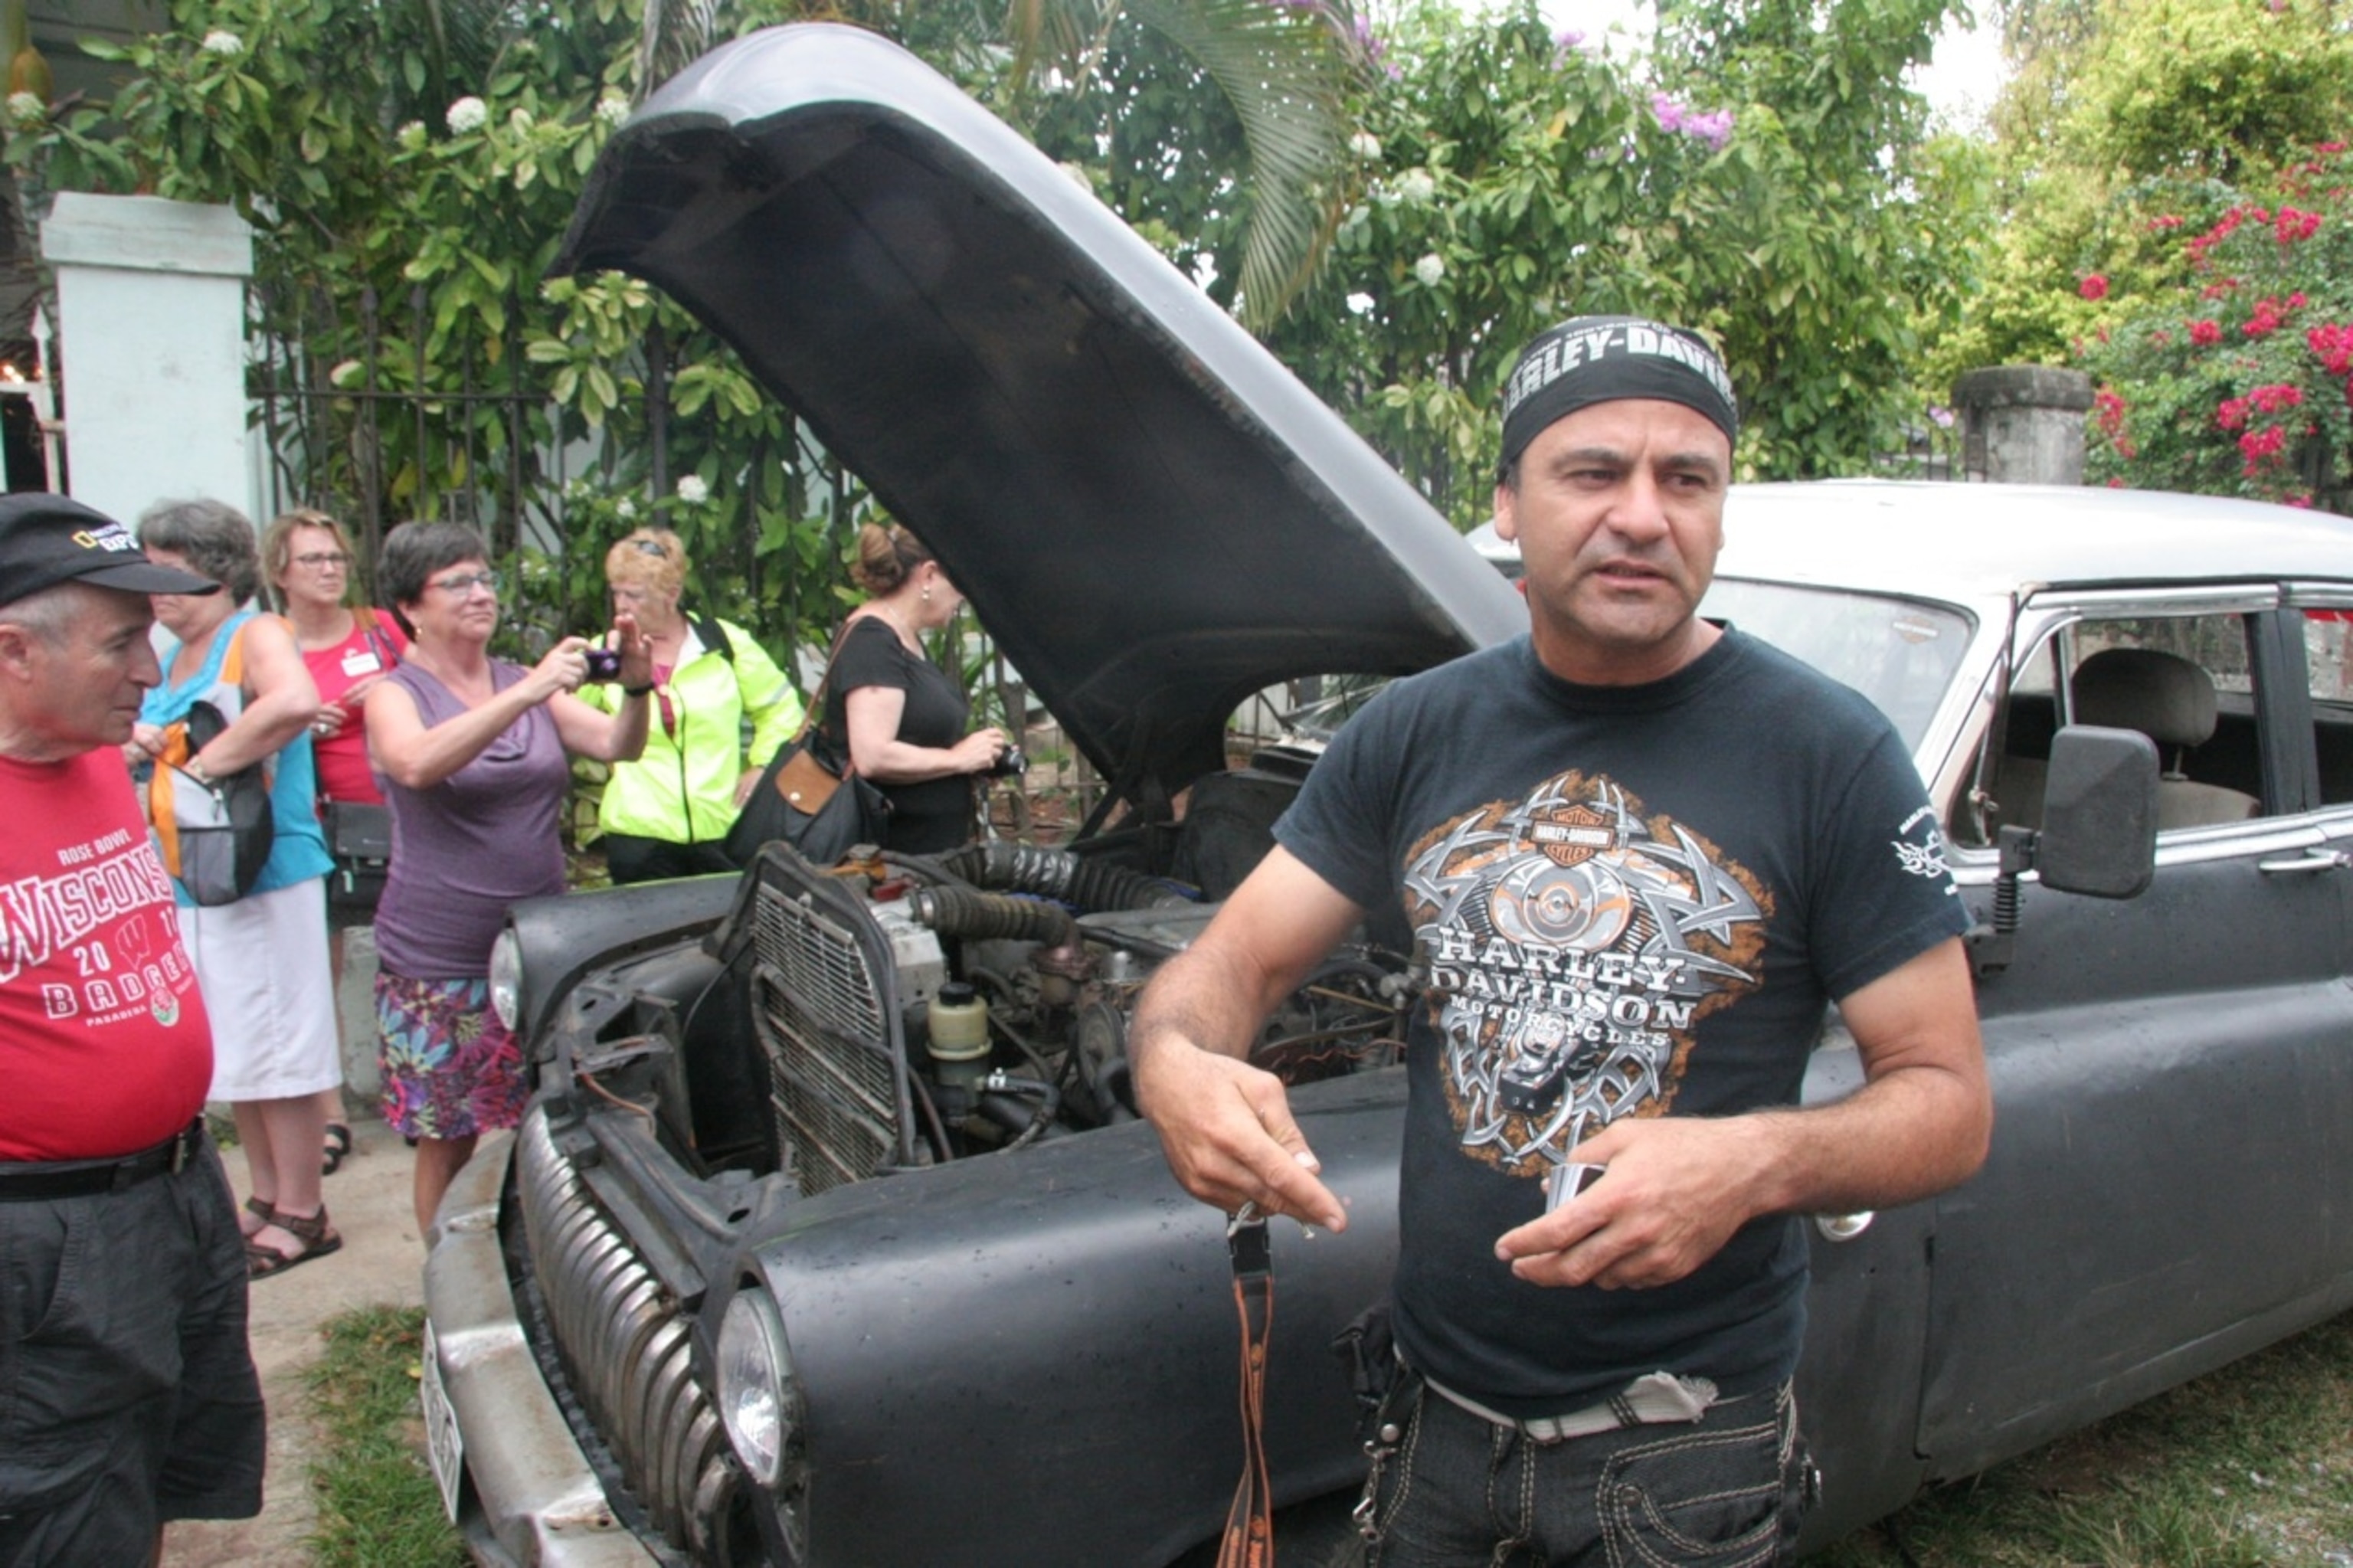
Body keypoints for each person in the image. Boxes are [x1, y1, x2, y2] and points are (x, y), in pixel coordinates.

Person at [1129, 316, 1991, 1565]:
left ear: (1716, 511)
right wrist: (1171, 1059)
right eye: (1592, 471)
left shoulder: (1829, 755)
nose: (1642, 513)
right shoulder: (1415, 733)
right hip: (1432, 1420)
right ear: (1506, 506)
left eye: (1684, 477)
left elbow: (1948, 1100)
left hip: (1681, 1451)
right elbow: (1235, 964)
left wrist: (1750, 1162)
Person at [0, 493, 266, 1559]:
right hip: (45, 1240)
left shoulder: (98, 754)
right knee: (61, 1501)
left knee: (143, 1470)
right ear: (13, 648)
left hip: (170, 1195)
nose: (151, 675)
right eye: (120, 646)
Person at [365, 521, 651, 1235]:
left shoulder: (521, 680)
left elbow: (619, 744)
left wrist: (638, 686)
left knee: (547, 1115)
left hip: (539, 945)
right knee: (450, 1133)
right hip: (440, 957)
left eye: (485, 577)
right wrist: (526, 697)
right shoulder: (394, 695)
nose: (480, 593)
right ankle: (447, 1278)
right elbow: (415, 764)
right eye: (456, 582)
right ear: (410, 606)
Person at [133, 498, 347, 1280]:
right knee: (242, 1047)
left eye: (169, 573)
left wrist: (204, 764)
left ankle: (302, 1208)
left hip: (262, 872)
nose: (153, 588)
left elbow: (292, 704)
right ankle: (265, 1196)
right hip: (199, 878)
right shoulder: (169, 655)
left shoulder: (253, 634)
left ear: (217, 573)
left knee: (279, 1043)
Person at [263, 506, 408, 1176]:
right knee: (312, 974)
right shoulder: (272, 645)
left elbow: (434, 683)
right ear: (280, 573)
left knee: (409, 963)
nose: (328, 570)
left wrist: (391, 684)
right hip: (316, 827)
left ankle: (413, 1095)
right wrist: (302, 722)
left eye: (335, 558)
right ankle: (328, 1115)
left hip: (398, 817)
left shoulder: (380, 628)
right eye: (312, 560)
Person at [578, 527, 803, 882]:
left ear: (672, 594)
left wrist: (762, 765)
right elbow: (557, 716)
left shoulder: (724, 643)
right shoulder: (605, 654)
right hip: (638, 836)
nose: (621, 605)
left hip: (723, 830)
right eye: (616, 592)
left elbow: (783, 709)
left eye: (634, 595)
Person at [822, 522, 1008, 854]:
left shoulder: (904, 638)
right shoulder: (872, 641)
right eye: (958, 584)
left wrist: (972, 762)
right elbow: (873, 755)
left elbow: (915, 736)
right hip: (891, 858)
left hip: (926, 849)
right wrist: (957, 760)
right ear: (929, 575)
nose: (962, 597)